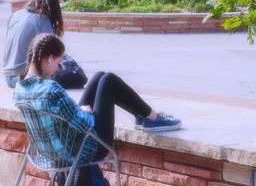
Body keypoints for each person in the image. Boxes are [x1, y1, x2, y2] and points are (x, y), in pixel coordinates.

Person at [14, 34, 182, 161]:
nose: (58, 69)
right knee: (108, 80)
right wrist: (86, 111)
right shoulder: (51, 89)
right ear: (49, 59)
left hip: (48, 152)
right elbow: (85, 124)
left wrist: (78, 110)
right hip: (84, 149)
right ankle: (152, 118)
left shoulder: (19, 89)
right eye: (58, 62)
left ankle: (142, 116)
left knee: (99, 76)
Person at [3, 0, 63, 88]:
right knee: (71, 77)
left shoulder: (16, 15)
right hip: (25, 78)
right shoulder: (43, 20)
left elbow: (6, 44)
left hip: (8, 77)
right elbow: (52, 54)